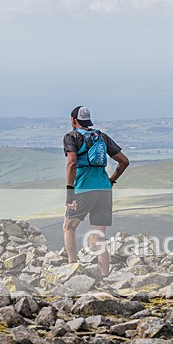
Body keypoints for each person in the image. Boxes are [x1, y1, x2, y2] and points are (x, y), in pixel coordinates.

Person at [64, 106, 129, 277]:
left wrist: (70, 190)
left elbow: (72, 162)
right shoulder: (101, 137)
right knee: (99, 237)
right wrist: (111, 180)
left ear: (73, 120)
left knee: (69, 227)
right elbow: (124, 161)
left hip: (83, 189)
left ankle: (72, 268)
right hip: (104, 190)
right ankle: (105, 275)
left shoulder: (72, 136)